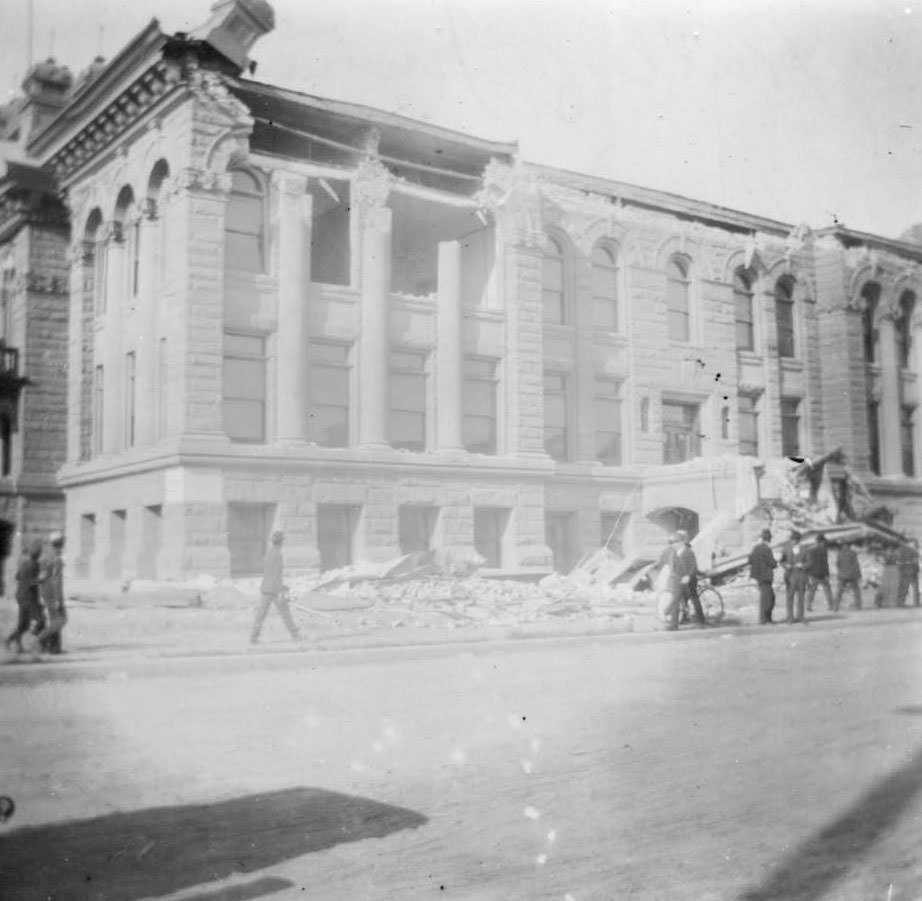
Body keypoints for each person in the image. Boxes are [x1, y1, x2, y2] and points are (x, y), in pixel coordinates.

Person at [250, 530, 301, 644]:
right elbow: (277, 575)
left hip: (266, 588)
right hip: (274, 590)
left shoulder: (268, 554)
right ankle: (295, 635)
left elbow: (269, 573)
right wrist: (281, 591)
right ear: (281, 542)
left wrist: (283, 586)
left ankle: (253, 638)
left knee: (261, 615)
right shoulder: (278, 555)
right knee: (285, 613)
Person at [5, 539, 45, 654]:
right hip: (30, 598)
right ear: (37, 555)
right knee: (41, 621)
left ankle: (10, 641)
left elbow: (17, 577)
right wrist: (41, 580)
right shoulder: (35, 565)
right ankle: (36, 644)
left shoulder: (24, 563)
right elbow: (31, 582)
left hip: (21, 596)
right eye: (39, 553)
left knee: (23, 624)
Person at [36, 532, 66, 654]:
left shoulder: (45, 556)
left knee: (55, 619)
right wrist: (58, 599)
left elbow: (41, 577)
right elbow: (57, 580)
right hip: (54, 593)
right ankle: (40, 639)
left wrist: (41, 593)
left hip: (46, 592)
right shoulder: (56, 559)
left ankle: (54, 647)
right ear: (61, 544)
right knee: (61, 620)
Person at [671, 530, 706, 629]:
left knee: (694, 599)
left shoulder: (688, 552)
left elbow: (693, 567)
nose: (674, 544)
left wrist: (688, 576)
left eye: (675, 542)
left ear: (681, 542)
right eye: (673, 542)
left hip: (689, 581)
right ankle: (674, 624)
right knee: (676, 601)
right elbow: (674, 567)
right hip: (678, 581)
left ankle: (701, 620)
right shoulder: (675, 553)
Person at [749, 528, 778, 625]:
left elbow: (750, 560)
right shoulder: (766, 549)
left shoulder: (756, 548)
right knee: (768, 598)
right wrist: (776, 562)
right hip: (766, 576)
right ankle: (765, 619)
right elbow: (772, 563)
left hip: (759, 576)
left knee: (766, 597)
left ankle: (766, 619)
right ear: (768, 538)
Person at [781, 530, 808, 623]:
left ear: (799, 540)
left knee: (801, 597)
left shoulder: (805, 549)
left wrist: (803, 565)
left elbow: (810, 562)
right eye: (792, 540)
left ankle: (800, 616)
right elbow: (781, 561)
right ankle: (790, 617)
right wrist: (785, 565)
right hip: (790, 575)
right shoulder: (786, 549)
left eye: (796, 540)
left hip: (801, 575)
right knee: (790, 597)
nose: (794, 541)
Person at [805, 533, 835, 612]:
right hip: (822, 573)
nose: (825, 543)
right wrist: (827, 573)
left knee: (812, 591)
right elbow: (825, 563)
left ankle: (808, 606)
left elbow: (808, 562)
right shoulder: (823, 550)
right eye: (824, 542)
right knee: (827, 590)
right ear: (822, 541)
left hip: (813, 573)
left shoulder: (810, 550)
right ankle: (831, 605)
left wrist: (808, 572)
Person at [835, 542, 862, 611]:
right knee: (856, 590)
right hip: (852, 575)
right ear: (849, 546)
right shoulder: (853, 553)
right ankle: (858, 606)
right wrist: (859, 574)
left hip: (842, 575)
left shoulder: (839, 553)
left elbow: (837, 564)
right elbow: (856, 564)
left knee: (840, 591)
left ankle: (836, 606)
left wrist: (839, 572)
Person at [896, 540, 920, 608]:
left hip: (903, 572)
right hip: (912, 572)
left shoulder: (901, 551)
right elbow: (915, 561)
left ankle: (900, 603)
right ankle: (916, 603)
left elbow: (898, 562)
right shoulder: (914, 551)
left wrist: (902, 567)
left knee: (903, 588)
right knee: (915, 589)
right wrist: (917, 569)